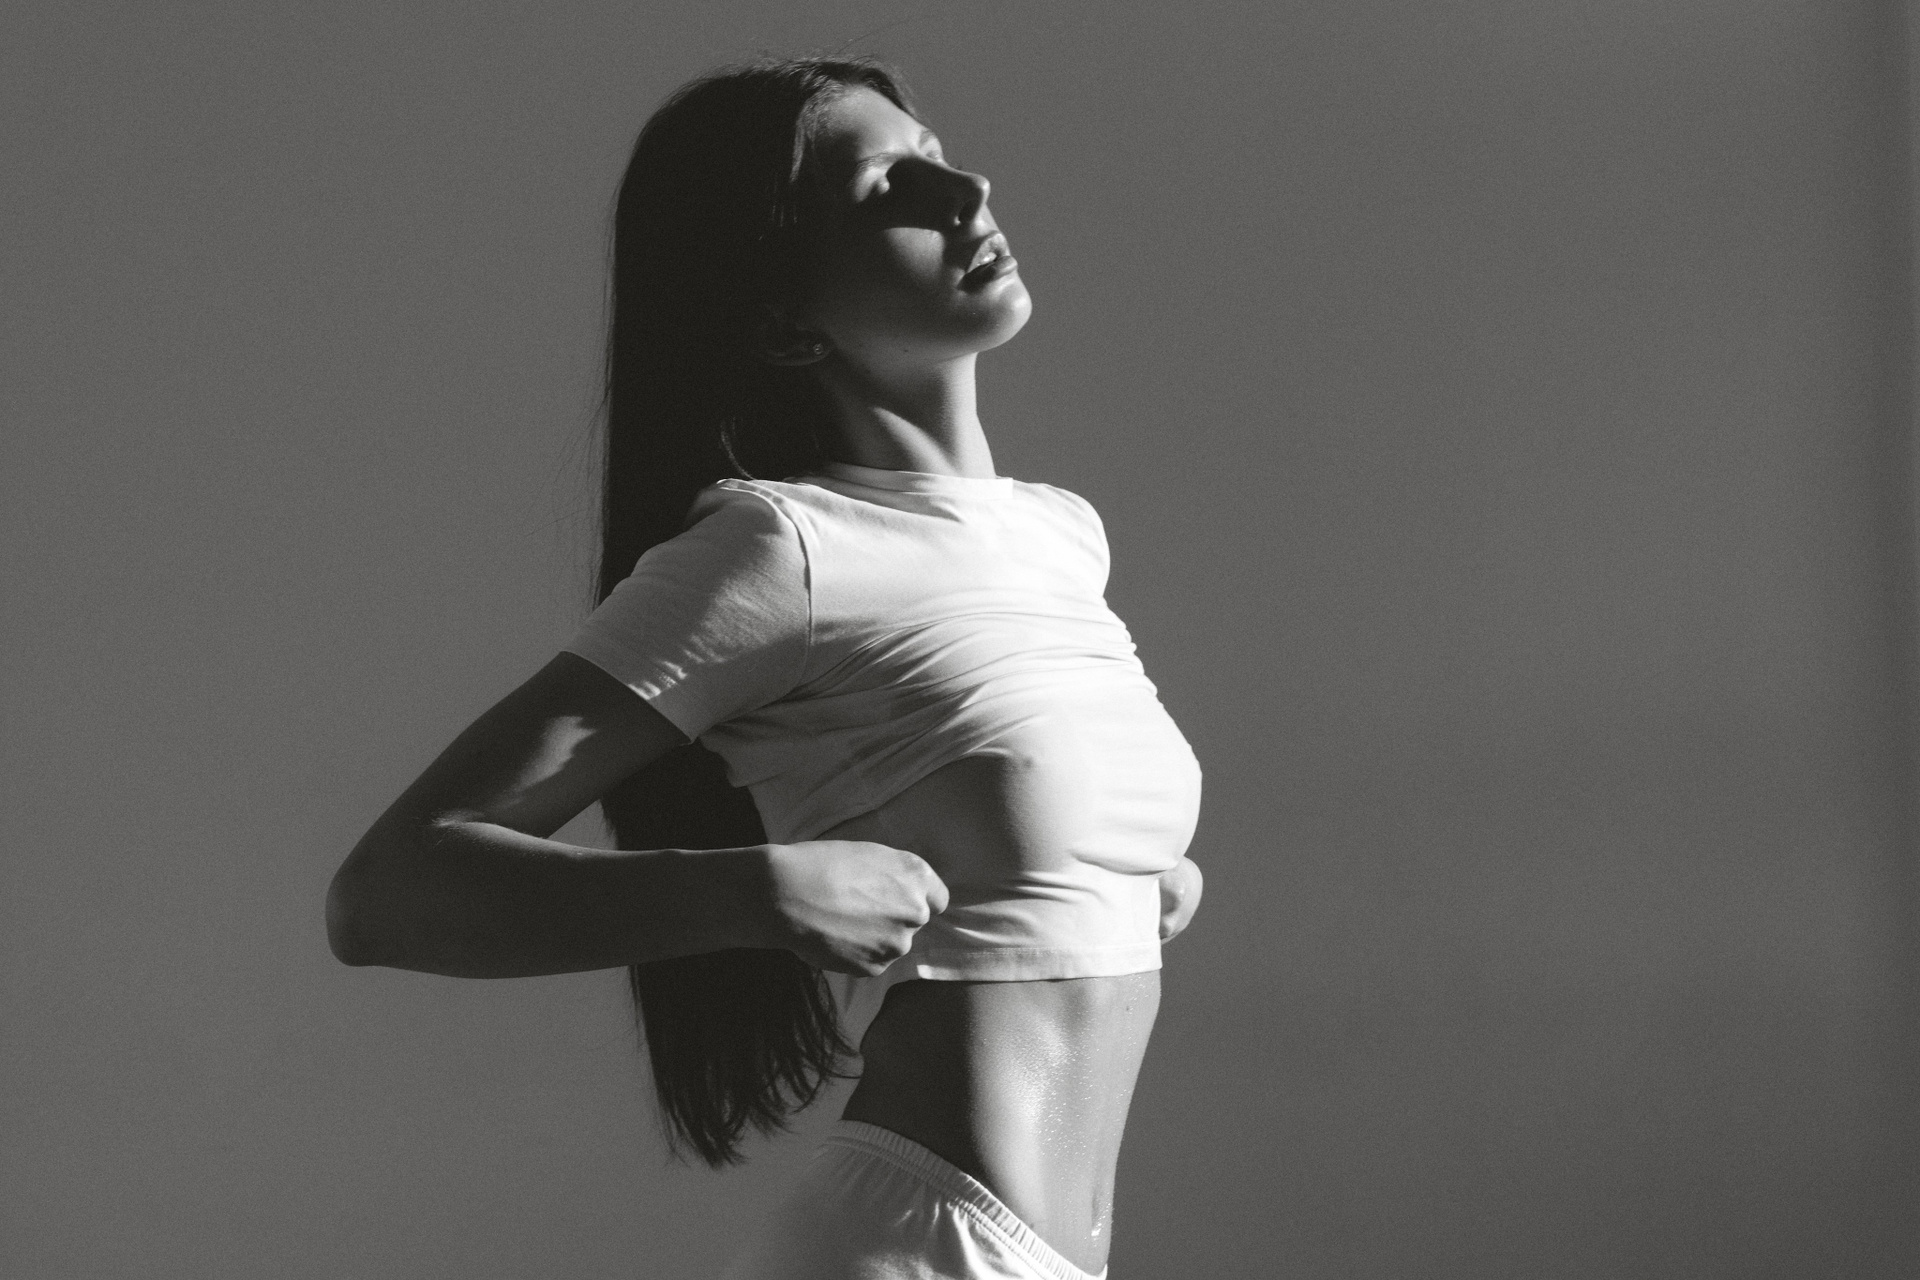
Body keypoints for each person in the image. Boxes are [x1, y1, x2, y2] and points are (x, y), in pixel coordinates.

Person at [326, 55, 1204, 1280]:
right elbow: (385, 892)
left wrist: (1122, 876)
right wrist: (750, 891)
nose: (968, 190)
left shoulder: (1060, 535)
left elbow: (998, 820)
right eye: (890, 186)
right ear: (785, 320)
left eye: (940, 155)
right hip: (912, 1246)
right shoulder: (780, 548)